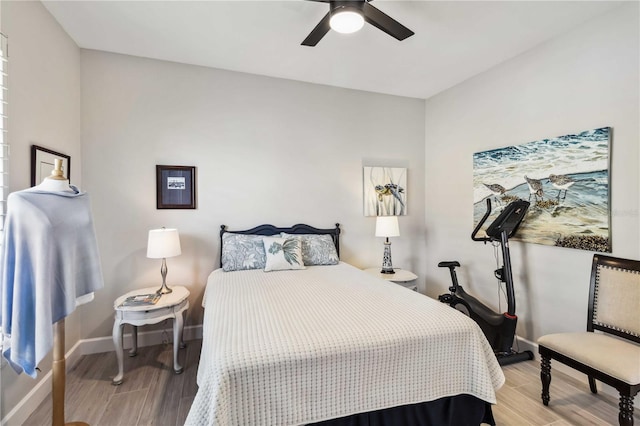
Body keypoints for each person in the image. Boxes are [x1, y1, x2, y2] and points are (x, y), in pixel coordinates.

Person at [0, 159, 103, 377]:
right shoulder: (21, 201)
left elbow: (83, 243)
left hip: (70, 280)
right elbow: (18, 257)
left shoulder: (80, 198)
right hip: (39, 282)